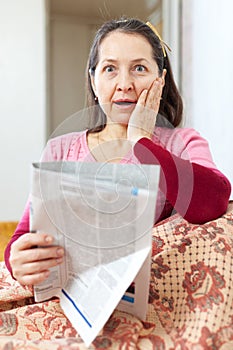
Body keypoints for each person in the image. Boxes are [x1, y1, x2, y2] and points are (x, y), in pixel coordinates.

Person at [5, 18, 231, 287]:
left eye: (139, 68)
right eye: (110, 69)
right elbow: (24, 234)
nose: (124, 84)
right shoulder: (61, 149)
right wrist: (17, 260)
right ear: (94, 80)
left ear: (160, 80)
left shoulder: (182, 141)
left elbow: (214, 202)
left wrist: (142, 143)